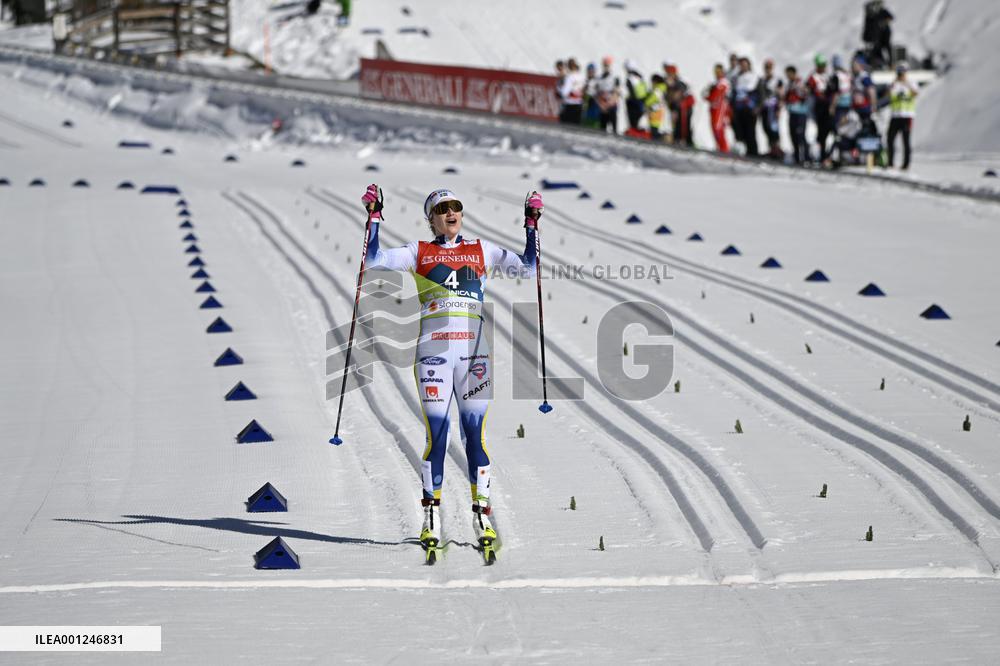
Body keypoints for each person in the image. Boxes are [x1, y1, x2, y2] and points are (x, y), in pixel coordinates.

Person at [360, 184, 541, 563]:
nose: (450, 213)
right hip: (434, 356)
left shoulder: (481, 249)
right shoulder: (418, 252)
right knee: (437, 436)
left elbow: (528, 267)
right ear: (432, 219)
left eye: (455, 206)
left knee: (474, 436)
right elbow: (374, 260)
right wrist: (374, 217)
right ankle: (431, 519)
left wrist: (531, 225)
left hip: (474, 355)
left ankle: (483, 517)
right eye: (441, 209)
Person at [886, 63, 917, 169]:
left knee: (906, 140)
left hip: (907, 115)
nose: (900, 75)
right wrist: (895, 83)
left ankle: (906, 164)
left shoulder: (911, 82)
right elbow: (888, 94)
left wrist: (906, 83)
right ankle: (890, 162)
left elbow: (915, 93)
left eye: (902, 73)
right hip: (895, 115)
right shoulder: (894, 84)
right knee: (890, 139)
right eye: (899, 73)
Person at [807, 54, 833, 163]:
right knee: (820, 132)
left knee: (828, 131)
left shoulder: (828, 77)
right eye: (820, 65)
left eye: (824, 65)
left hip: (828, 107)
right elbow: (811, 90)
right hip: (818, 107)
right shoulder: (813, 77)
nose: (823, 67)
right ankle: (819, 155)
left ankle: (827, 154)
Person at [732, 56, 760, 156]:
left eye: (745, 64)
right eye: (741, 65)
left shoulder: (754, 77)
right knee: (740, 131)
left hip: (750, 108)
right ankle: (744, 152)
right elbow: (734, 93)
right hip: (739, 108)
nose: (743, 67)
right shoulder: (737, 78)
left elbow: (759, 93)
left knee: (750, 132)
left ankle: (753, 153)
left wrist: (757, 107)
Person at [784, 65, 811, 164]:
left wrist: (800, 89)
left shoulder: (799, 83)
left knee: (801, 135)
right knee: (793, 135)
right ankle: (797, 157)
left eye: (789, 74)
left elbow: (805, 94)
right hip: (792, 113)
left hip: (800, 113)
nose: (788, 76)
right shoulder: (789, 84)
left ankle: (806, 157)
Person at [664, 63, 695, 147]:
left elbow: (677, 95)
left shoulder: (679, 82)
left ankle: (687, 141)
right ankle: (678, 139)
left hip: (685, 106)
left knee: (684, 124)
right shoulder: (671, 83)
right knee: (677, 123)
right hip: (678, 106)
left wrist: (671, 94)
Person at [703, 63, 731, 153]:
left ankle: (724, 149)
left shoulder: (723, 83)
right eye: (716, 72)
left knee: (718, 128)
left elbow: (714, 96)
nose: (717, 73)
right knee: (714, 128)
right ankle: (720, 148)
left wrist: (707, 97)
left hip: (720, 109)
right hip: (714, 108)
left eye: (719, 71)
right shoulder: (716, 83)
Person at [760, 58, 783, 159]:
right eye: (766, 67)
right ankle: (771, 149)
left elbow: (781, 95)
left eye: (769, 67)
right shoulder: (762, 80)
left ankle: (777, 149)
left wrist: (779, 109)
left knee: (774, 129)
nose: (767, 69)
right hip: (765, 108)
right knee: (766, 128)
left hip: (773, 109)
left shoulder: (777, 80)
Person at [595, 56, 621, 133]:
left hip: (612, 106)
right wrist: (601, 105)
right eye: (604, 65)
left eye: (607, 65)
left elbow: (617, 93)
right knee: (602, 129)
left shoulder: (615, 77)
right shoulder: (599, 78)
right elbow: (597, 93)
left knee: (614, 129)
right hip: (602, 106)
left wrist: (609, 104)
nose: (606, 67)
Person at [557, 58, 585, 124]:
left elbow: (564, 93)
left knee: (566, 126)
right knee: (576, 127)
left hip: (569, 105)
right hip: (579, 104)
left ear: (569, 67)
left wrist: (559, 88)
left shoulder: (569, 77)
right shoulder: (582, 76)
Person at [623, 59, 647, 132]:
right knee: (637, 122)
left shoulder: (630, 78)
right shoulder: (640, 77)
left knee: (633, 122)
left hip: (633, 102)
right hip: (642, 101)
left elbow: (631, 91)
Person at [644, 74, 669, 141]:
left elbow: (652, 99)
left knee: (654, 129)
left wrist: (646, 102)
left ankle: (660, 139)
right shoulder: (662, 88)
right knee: (655, 128)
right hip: (658, 110)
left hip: (655, 111)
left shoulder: (658, 90)